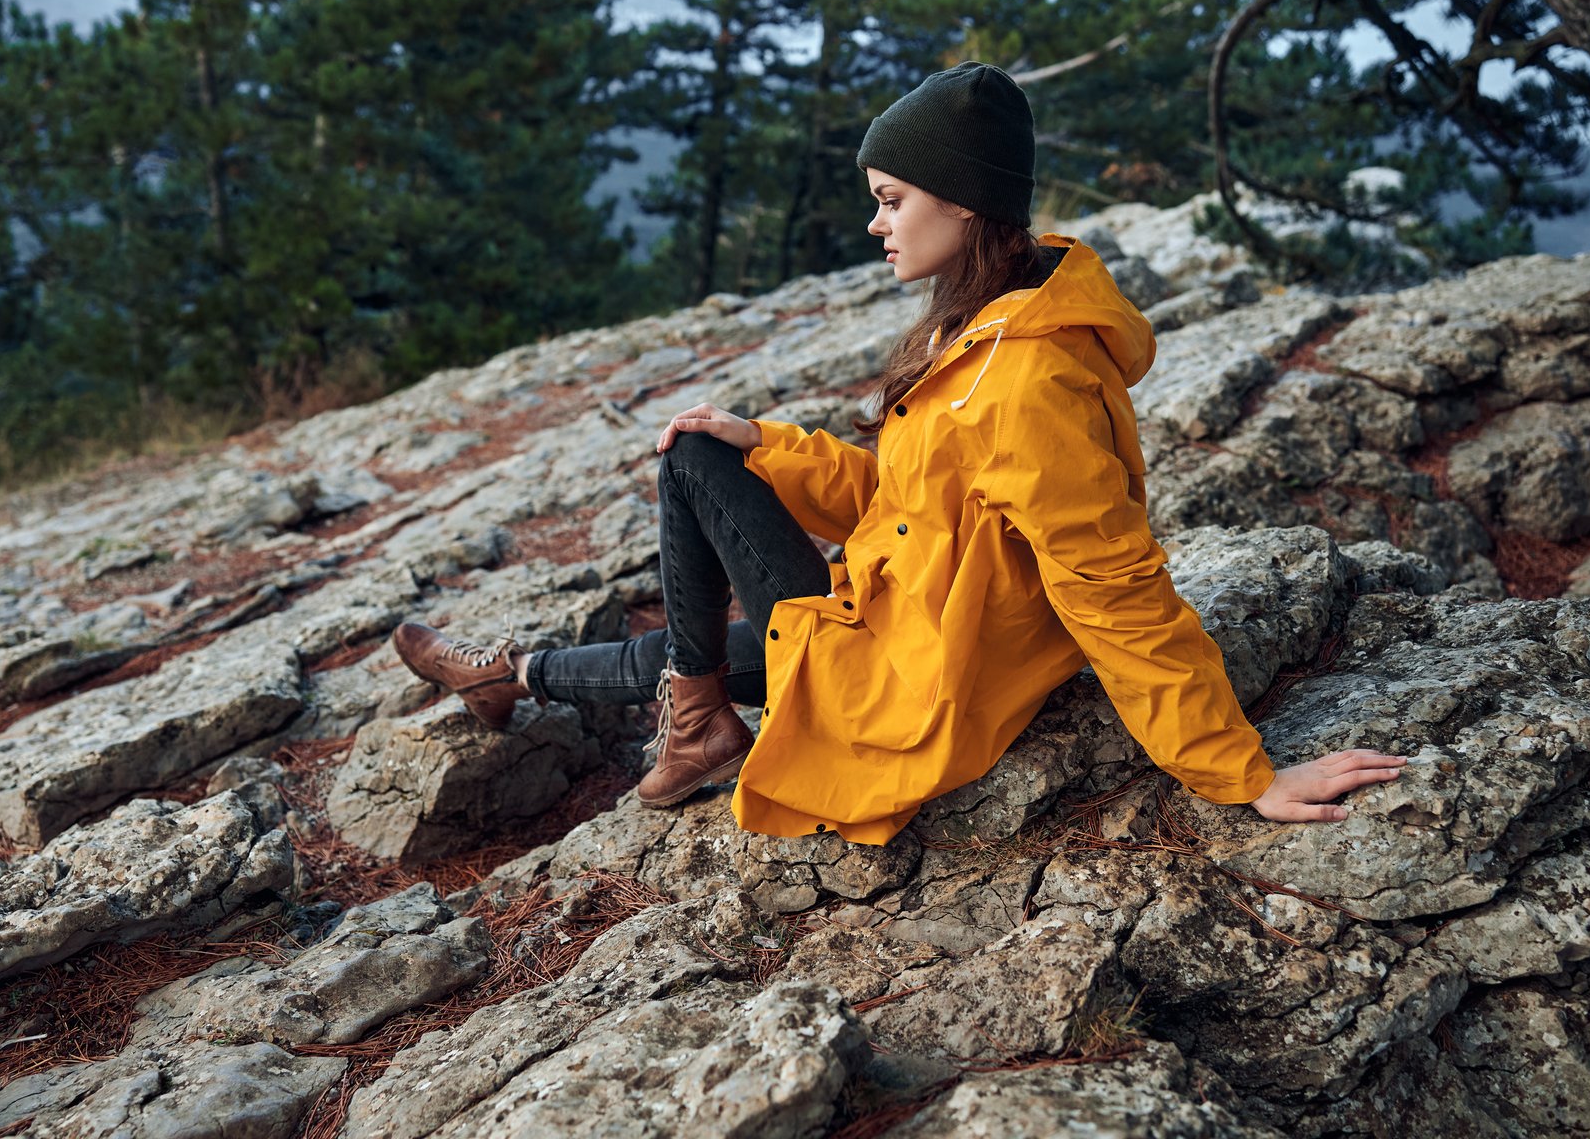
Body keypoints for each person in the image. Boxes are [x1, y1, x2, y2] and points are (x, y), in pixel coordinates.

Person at [392, 60, 1407, 844]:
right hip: (897, 617)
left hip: (925, 667)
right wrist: (775, 446)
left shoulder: (1027, 378)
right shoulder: (979, 321)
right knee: (705, 591)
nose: (876, 222)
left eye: (891, 198)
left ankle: (659, 717)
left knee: (689, 474)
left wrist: (1242, 770)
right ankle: (514, 678)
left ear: (962, 200)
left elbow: (1115, 586)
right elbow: (904, 496)